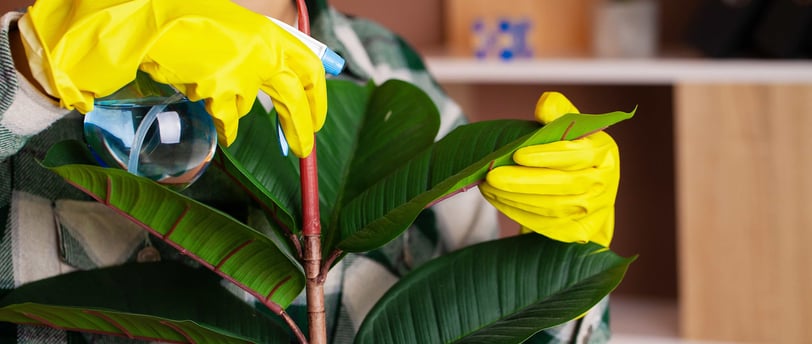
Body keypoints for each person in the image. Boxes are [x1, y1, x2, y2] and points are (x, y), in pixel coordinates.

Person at [0, 0, 619, 343]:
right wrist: (27, 72)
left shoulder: (384, 66)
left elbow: (502, 318)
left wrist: (563, 267)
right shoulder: (56, 50)